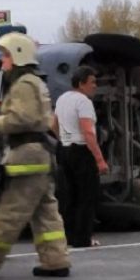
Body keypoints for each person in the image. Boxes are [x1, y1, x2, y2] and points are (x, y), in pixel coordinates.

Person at [0, 32, 72, 278]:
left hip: (27, 156)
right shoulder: (35, 82)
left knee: (10, 211)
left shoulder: (24, 84)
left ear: (18, 56)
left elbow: (23, 118)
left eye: (6, 56)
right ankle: (56, 260)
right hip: (39, 155)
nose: (3, 62)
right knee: (45, 213)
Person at [52, 65, 109, 248]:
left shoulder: (62, 99)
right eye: (92, 82)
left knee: (69, 195)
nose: (95, 86)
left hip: (64, 148)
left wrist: (63, 137)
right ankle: (83, 238)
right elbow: (88, 133)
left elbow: (54, 124)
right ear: (81, 83)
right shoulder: (83, 102)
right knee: (87, 196)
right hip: (81, 151)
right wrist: (100, 159)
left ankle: (68, 236)